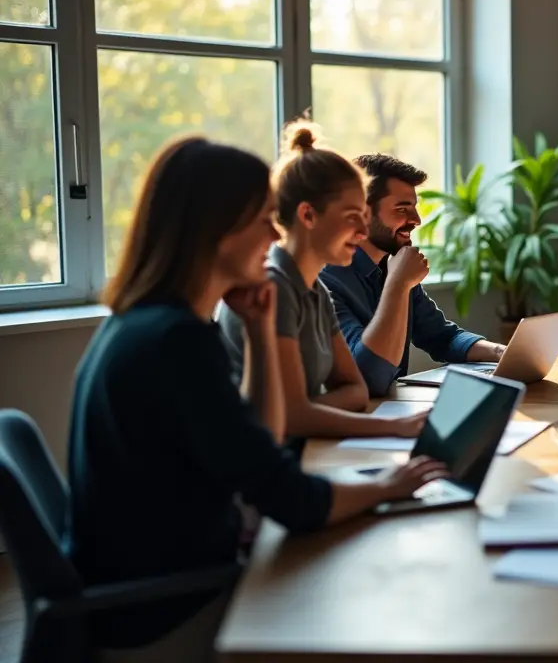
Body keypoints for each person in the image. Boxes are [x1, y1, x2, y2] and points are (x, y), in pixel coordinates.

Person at [67, 137, 448, 661]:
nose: (275, 235)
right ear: (214, 229)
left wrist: (260, 323)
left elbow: (263, 440)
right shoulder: (175, 342)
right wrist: (392, 483)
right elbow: (290, 499)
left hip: (166, 580)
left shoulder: (146, 323)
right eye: (264, 219)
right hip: (167, 612)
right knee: (390, 602)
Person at [219, 121, 425, 440]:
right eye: (351, 216)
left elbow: (356, 389)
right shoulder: (275, 287)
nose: (362, 230)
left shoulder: (315, 290)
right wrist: (392, 427)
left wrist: (305, 409)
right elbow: (292, 418)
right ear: (308, 216)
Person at [321, 154, 505, 396]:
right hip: (348, 424)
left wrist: (502, 353)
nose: (416, 220)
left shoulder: (393, 266)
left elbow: (442, 337)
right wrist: (398, 285)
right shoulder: (325, 280)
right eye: (402, 209)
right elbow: (368, 378)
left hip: (391, 412)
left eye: (414, 208)